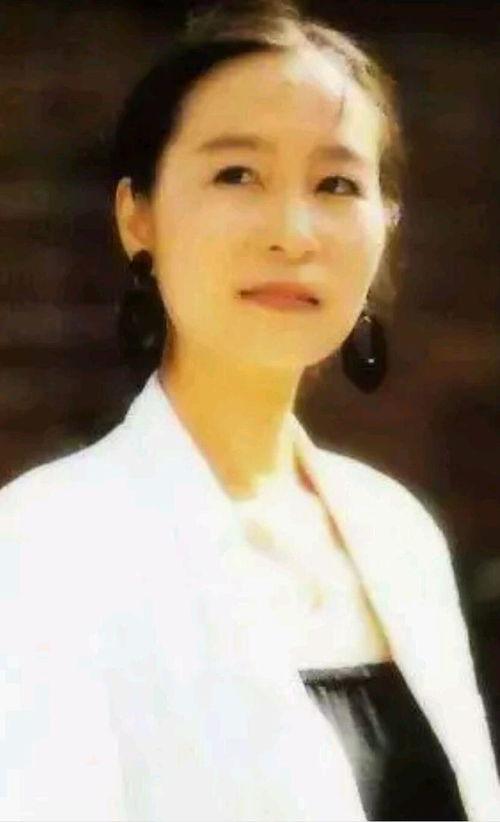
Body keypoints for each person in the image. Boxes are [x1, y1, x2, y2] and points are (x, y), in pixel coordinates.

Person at [1, 2, 499, 820]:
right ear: (138, 216)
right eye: (237, 174)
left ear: (385, 224)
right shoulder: (48, 544)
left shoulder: (398, 533)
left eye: (337, 184)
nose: (293, 233)